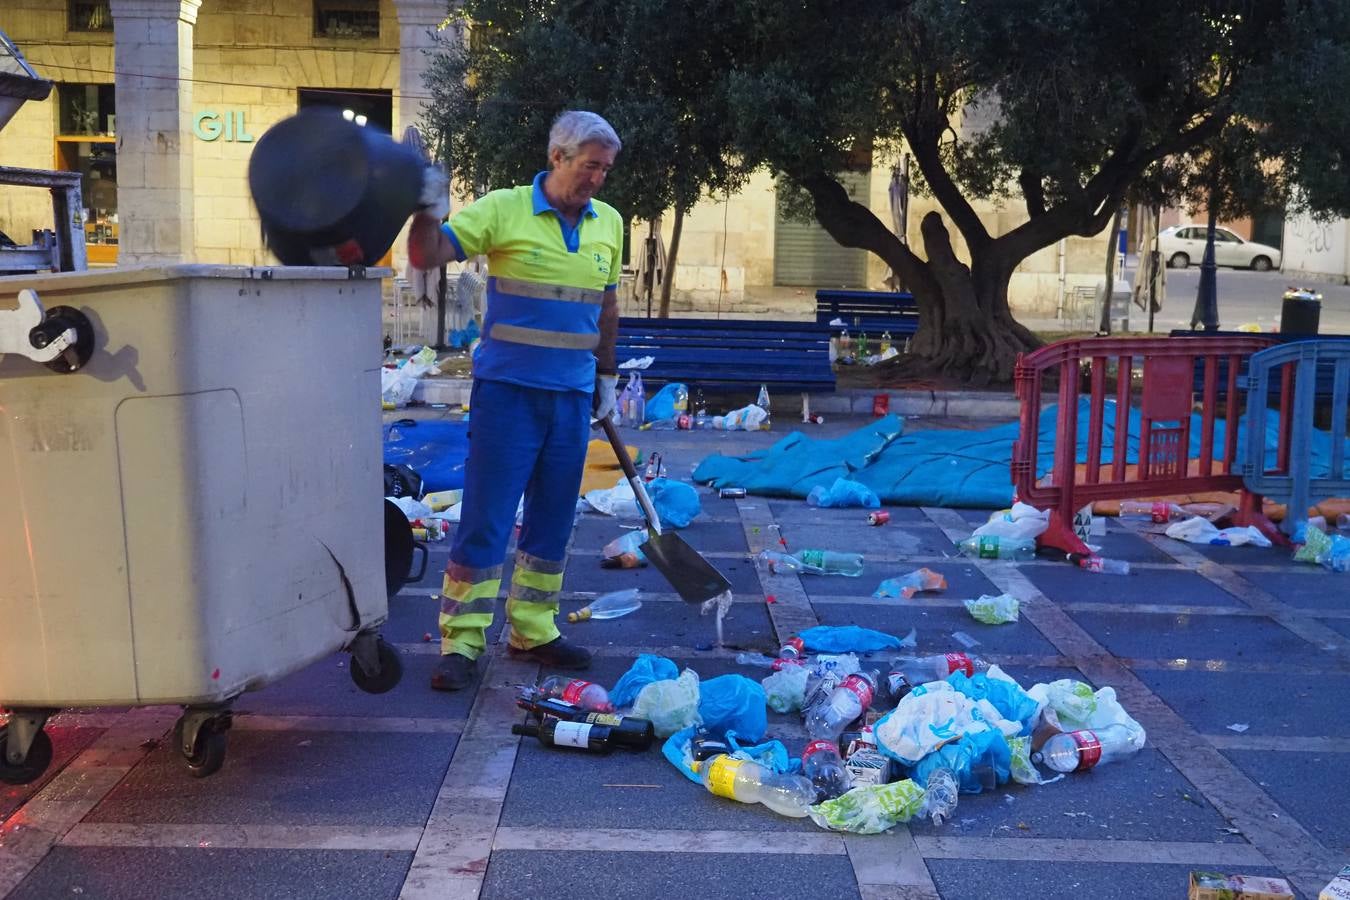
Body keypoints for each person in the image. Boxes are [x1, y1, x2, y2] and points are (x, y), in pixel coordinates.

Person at [407, 110, 623, 691]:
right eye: (589, 167)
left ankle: (532, 629)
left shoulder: (610, 223)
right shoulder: (503, 209)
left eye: (605, 170)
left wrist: (607, 376)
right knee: (486, 517)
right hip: (507, 395)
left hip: (573, 397)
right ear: (557, 158)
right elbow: (427, 257)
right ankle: (463, 641)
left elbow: (606, 305)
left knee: (553, 520)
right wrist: (425, 209)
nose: (597, 179)